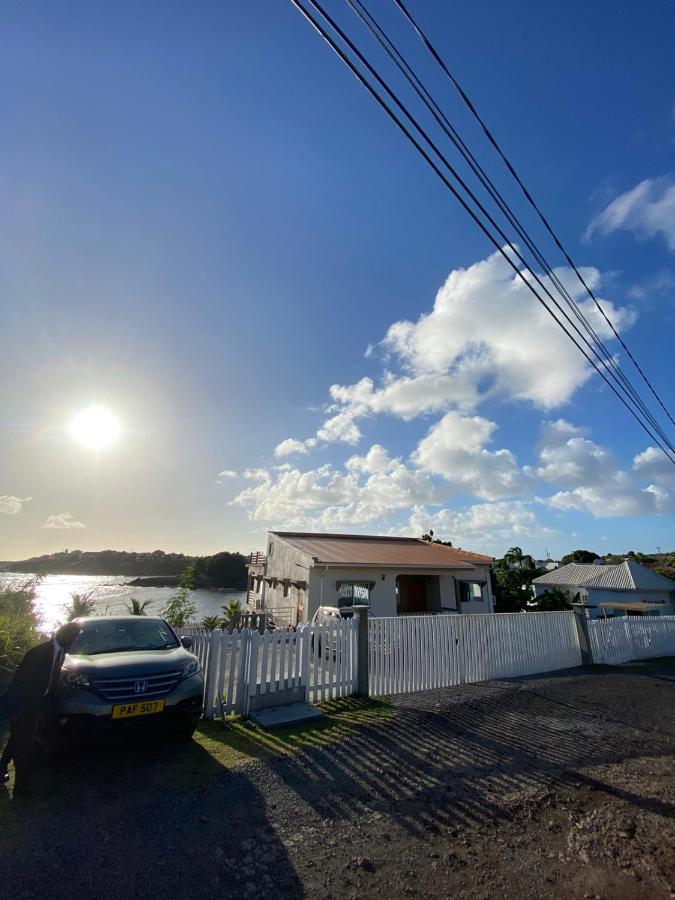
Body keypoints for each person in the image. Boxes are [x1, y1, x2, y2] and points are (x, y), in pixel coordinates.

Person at [0, 622, 82, 792]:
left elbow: (51, 677)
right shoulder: (39, 653)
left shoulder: (60, 652)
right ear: (68, 637)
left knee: (17, 739)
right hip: (25, 704)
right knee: (24, 742)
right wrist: (22, 709)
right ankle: (22, 788)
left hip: (40, 703)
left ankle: (3, 768)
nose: (75, 642)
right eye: (74, 638)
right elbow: (22, 682)